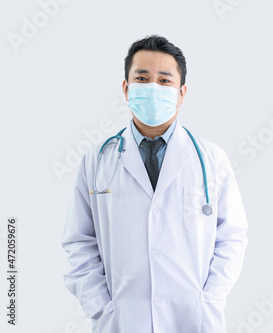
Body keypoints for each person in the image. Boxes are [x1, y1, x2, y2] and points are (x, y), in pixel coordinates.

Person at [61, 35, 249, 333]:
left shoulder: (212, 160)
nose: (152, 88)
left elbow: (232, 238)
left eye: (164, 81)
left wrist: (210, 299)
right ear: (126, 87)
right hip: (121, 321)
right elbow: (79, 240)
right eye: (142, 78)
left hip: (193, 319)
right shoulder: (97, 160)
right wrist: (99, 305)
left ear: (181, 93)